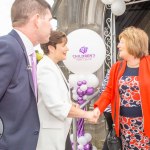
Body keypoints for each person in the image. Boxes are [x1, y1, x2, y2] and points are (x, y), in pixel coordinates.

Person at [0, 0, 52, 150]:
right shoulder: (8, 47)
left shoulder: (24, 51)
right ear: (36, 20)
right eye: (49, 20)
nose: (51, 26)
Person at [36, 30, 100, 150]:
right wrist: (87, 114)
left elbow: (56, 97)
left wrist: (71, 104)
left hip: (59, 132)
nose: (68, 49)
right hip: (50, 136)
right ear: (51, 48)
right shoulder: (45, 69)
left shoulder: (52, 66)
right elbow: (55, 105)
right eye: (64, 45)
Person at [94, 26, 150, 149]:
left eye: (122, 42)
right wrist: (98, 109)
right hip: (125, 125)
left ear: (133, 43)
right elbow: (108, 91)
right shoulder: (116, 67)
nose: (118, 45)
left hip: (146, 126)